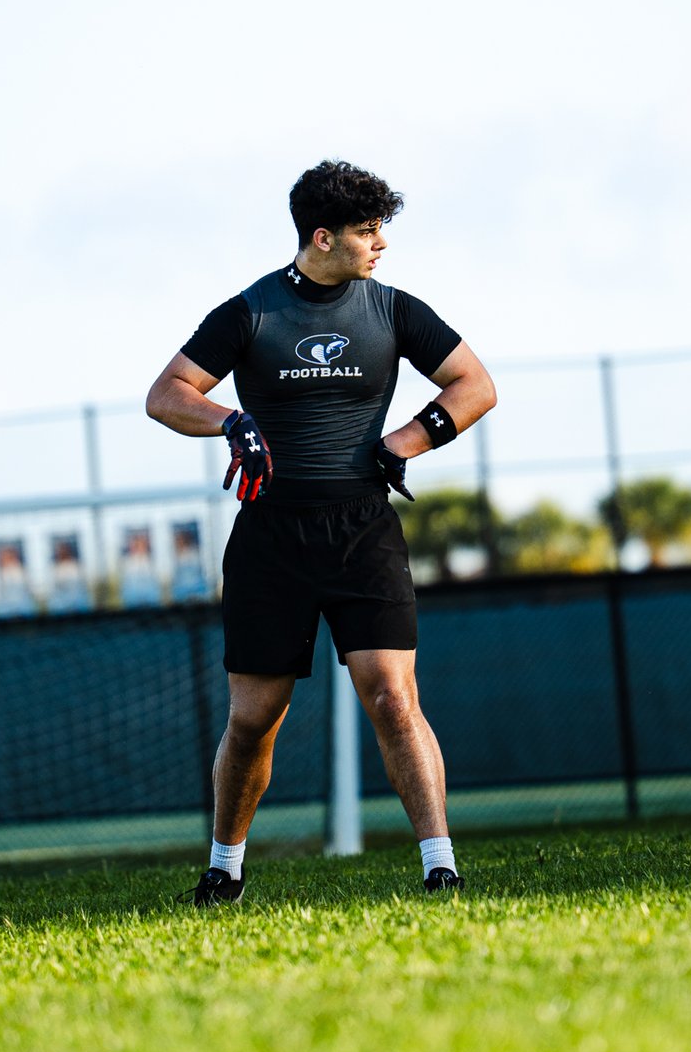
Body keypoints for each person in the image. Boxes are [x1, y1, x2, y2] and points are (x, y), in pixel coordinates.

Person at [146, 159, 496, 902]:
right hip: (270, 538)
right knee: (254, 718)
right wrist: (230, 421)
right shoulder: (251, 312)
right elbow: (166, 395)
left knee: (392, 696)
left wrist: (406, 441)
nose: (381, 245)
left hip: (363, 529)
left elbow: (475, 385)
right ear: (322, 237)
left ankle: (440, 867)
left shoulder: (394, 310)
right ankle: (224, 869)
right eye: (368, 232)